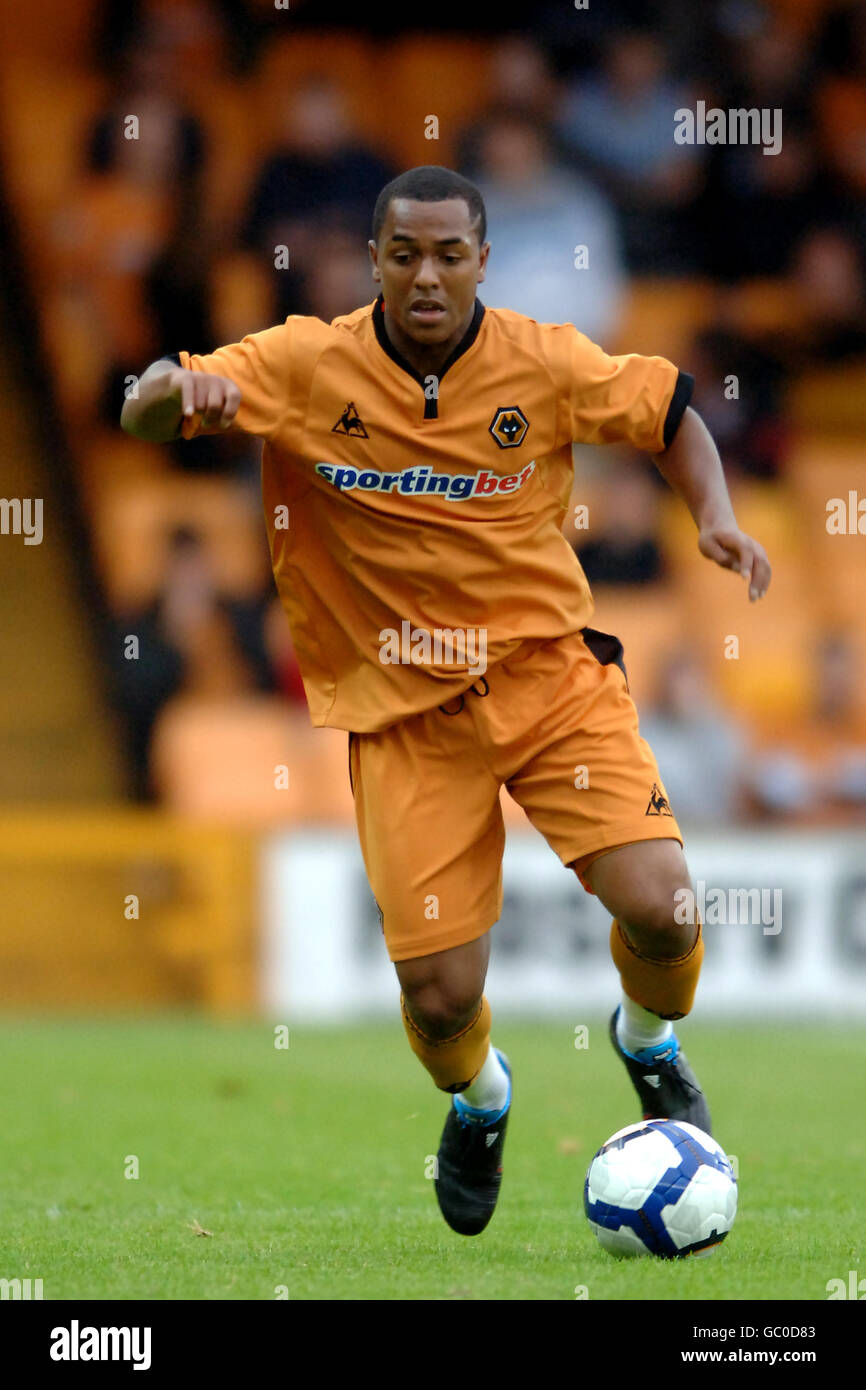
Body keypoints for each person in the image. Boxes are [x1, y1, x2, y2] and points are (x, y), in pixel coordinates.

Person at [121, 165, 771, 1237]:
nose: (426, 275)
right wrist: (169, 394)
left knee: (663, 905)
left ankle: (647, 1043)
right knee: (438, 997)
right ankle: (481, 1099)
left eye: (448, 254)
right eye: (404, 253)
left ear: (481, 260)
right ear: (374, 260)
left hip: (547, 679)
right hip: (401, 711)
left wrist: (712, 514)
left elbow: (671, 411)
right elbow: (152, 402)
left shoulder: (543, 362)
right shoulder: (302, 362)